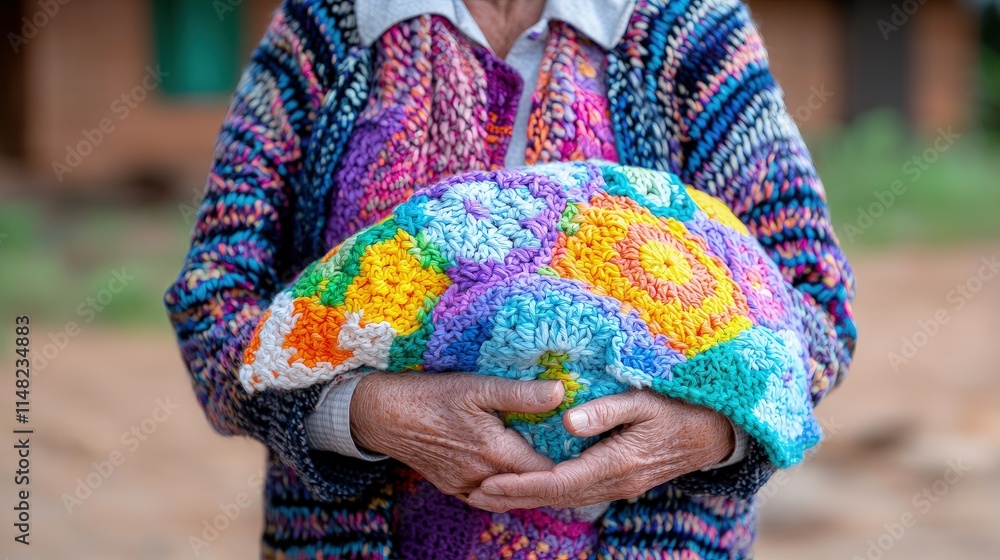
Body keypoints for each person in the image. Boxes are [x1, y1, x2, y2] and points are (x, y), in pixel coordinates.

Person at [164, 0, 857, 558]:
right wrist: (362, 414)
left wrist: (708, 430)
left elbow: (814, 303)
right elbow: (213, 299)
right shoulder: (327, 30)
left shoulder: (693, 31)